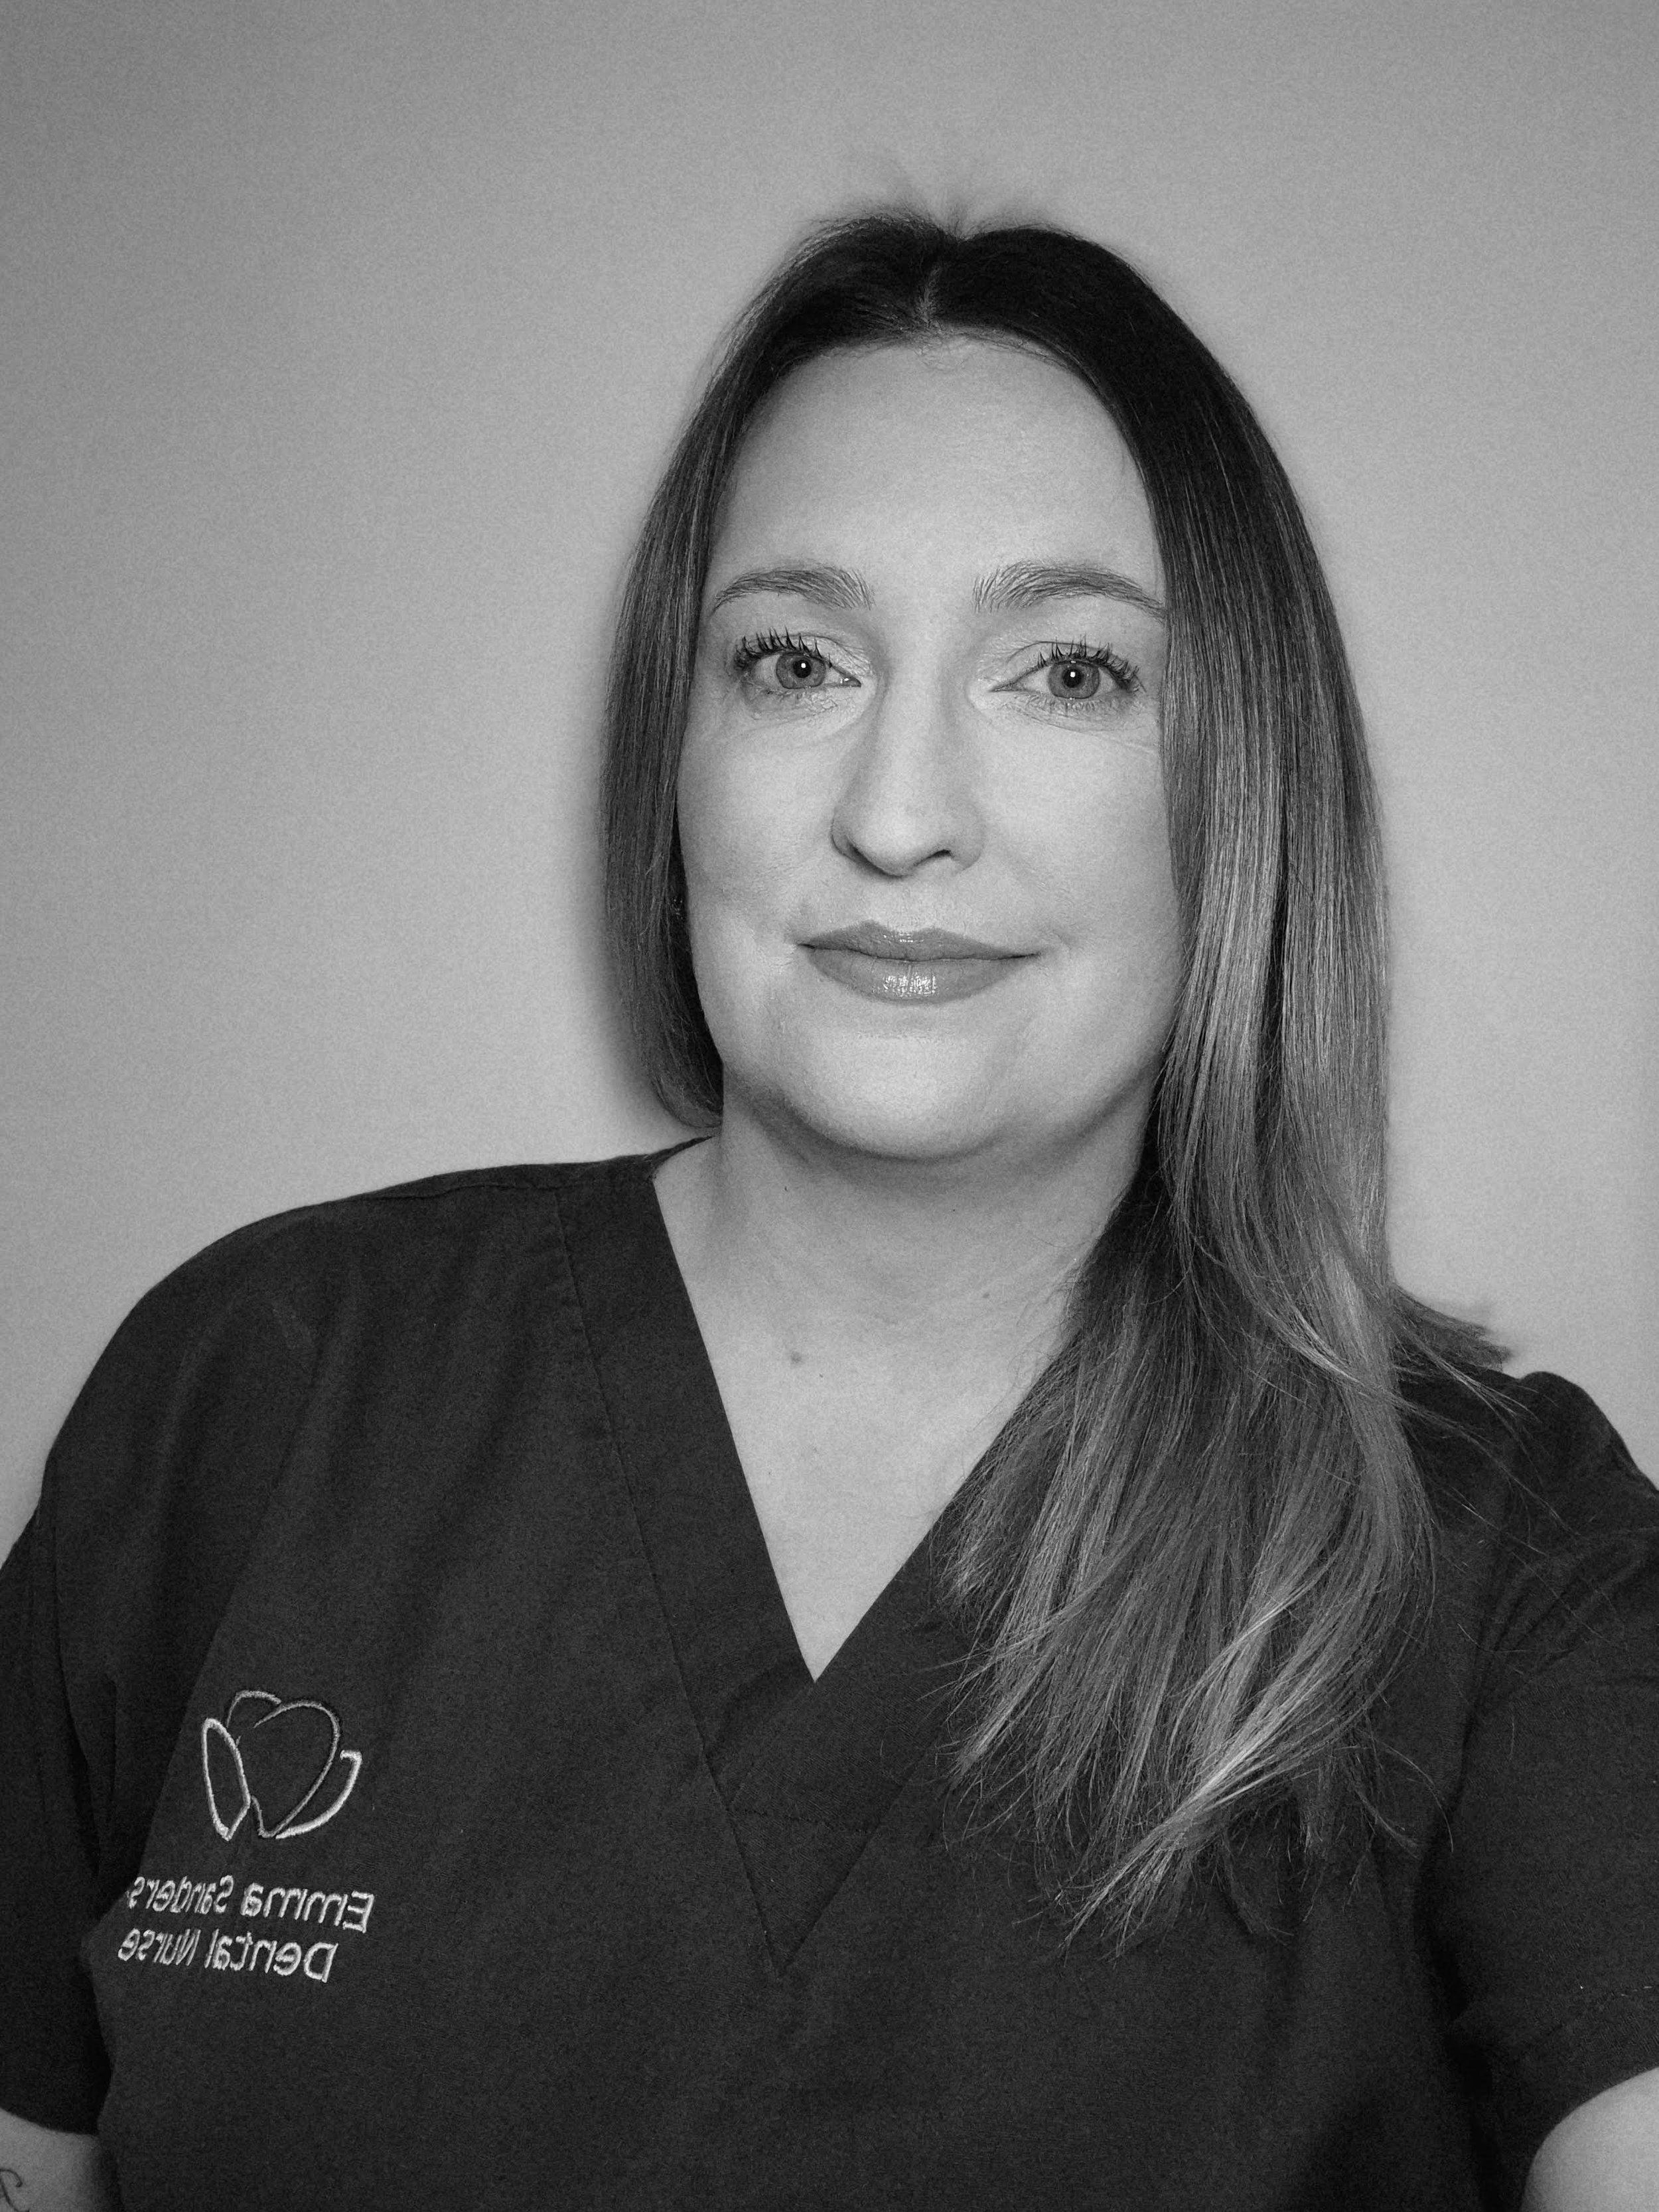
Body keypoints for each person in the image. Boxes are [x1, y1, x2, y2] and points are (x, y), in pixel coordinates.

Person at [1, 210, 1656, 2212]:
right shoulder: (261, 1391)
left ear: (1246, 785)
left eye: (1066, 670)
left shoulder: (1499, 1553)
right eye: (792, 658)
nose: (896, 808)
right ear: (677, 758)